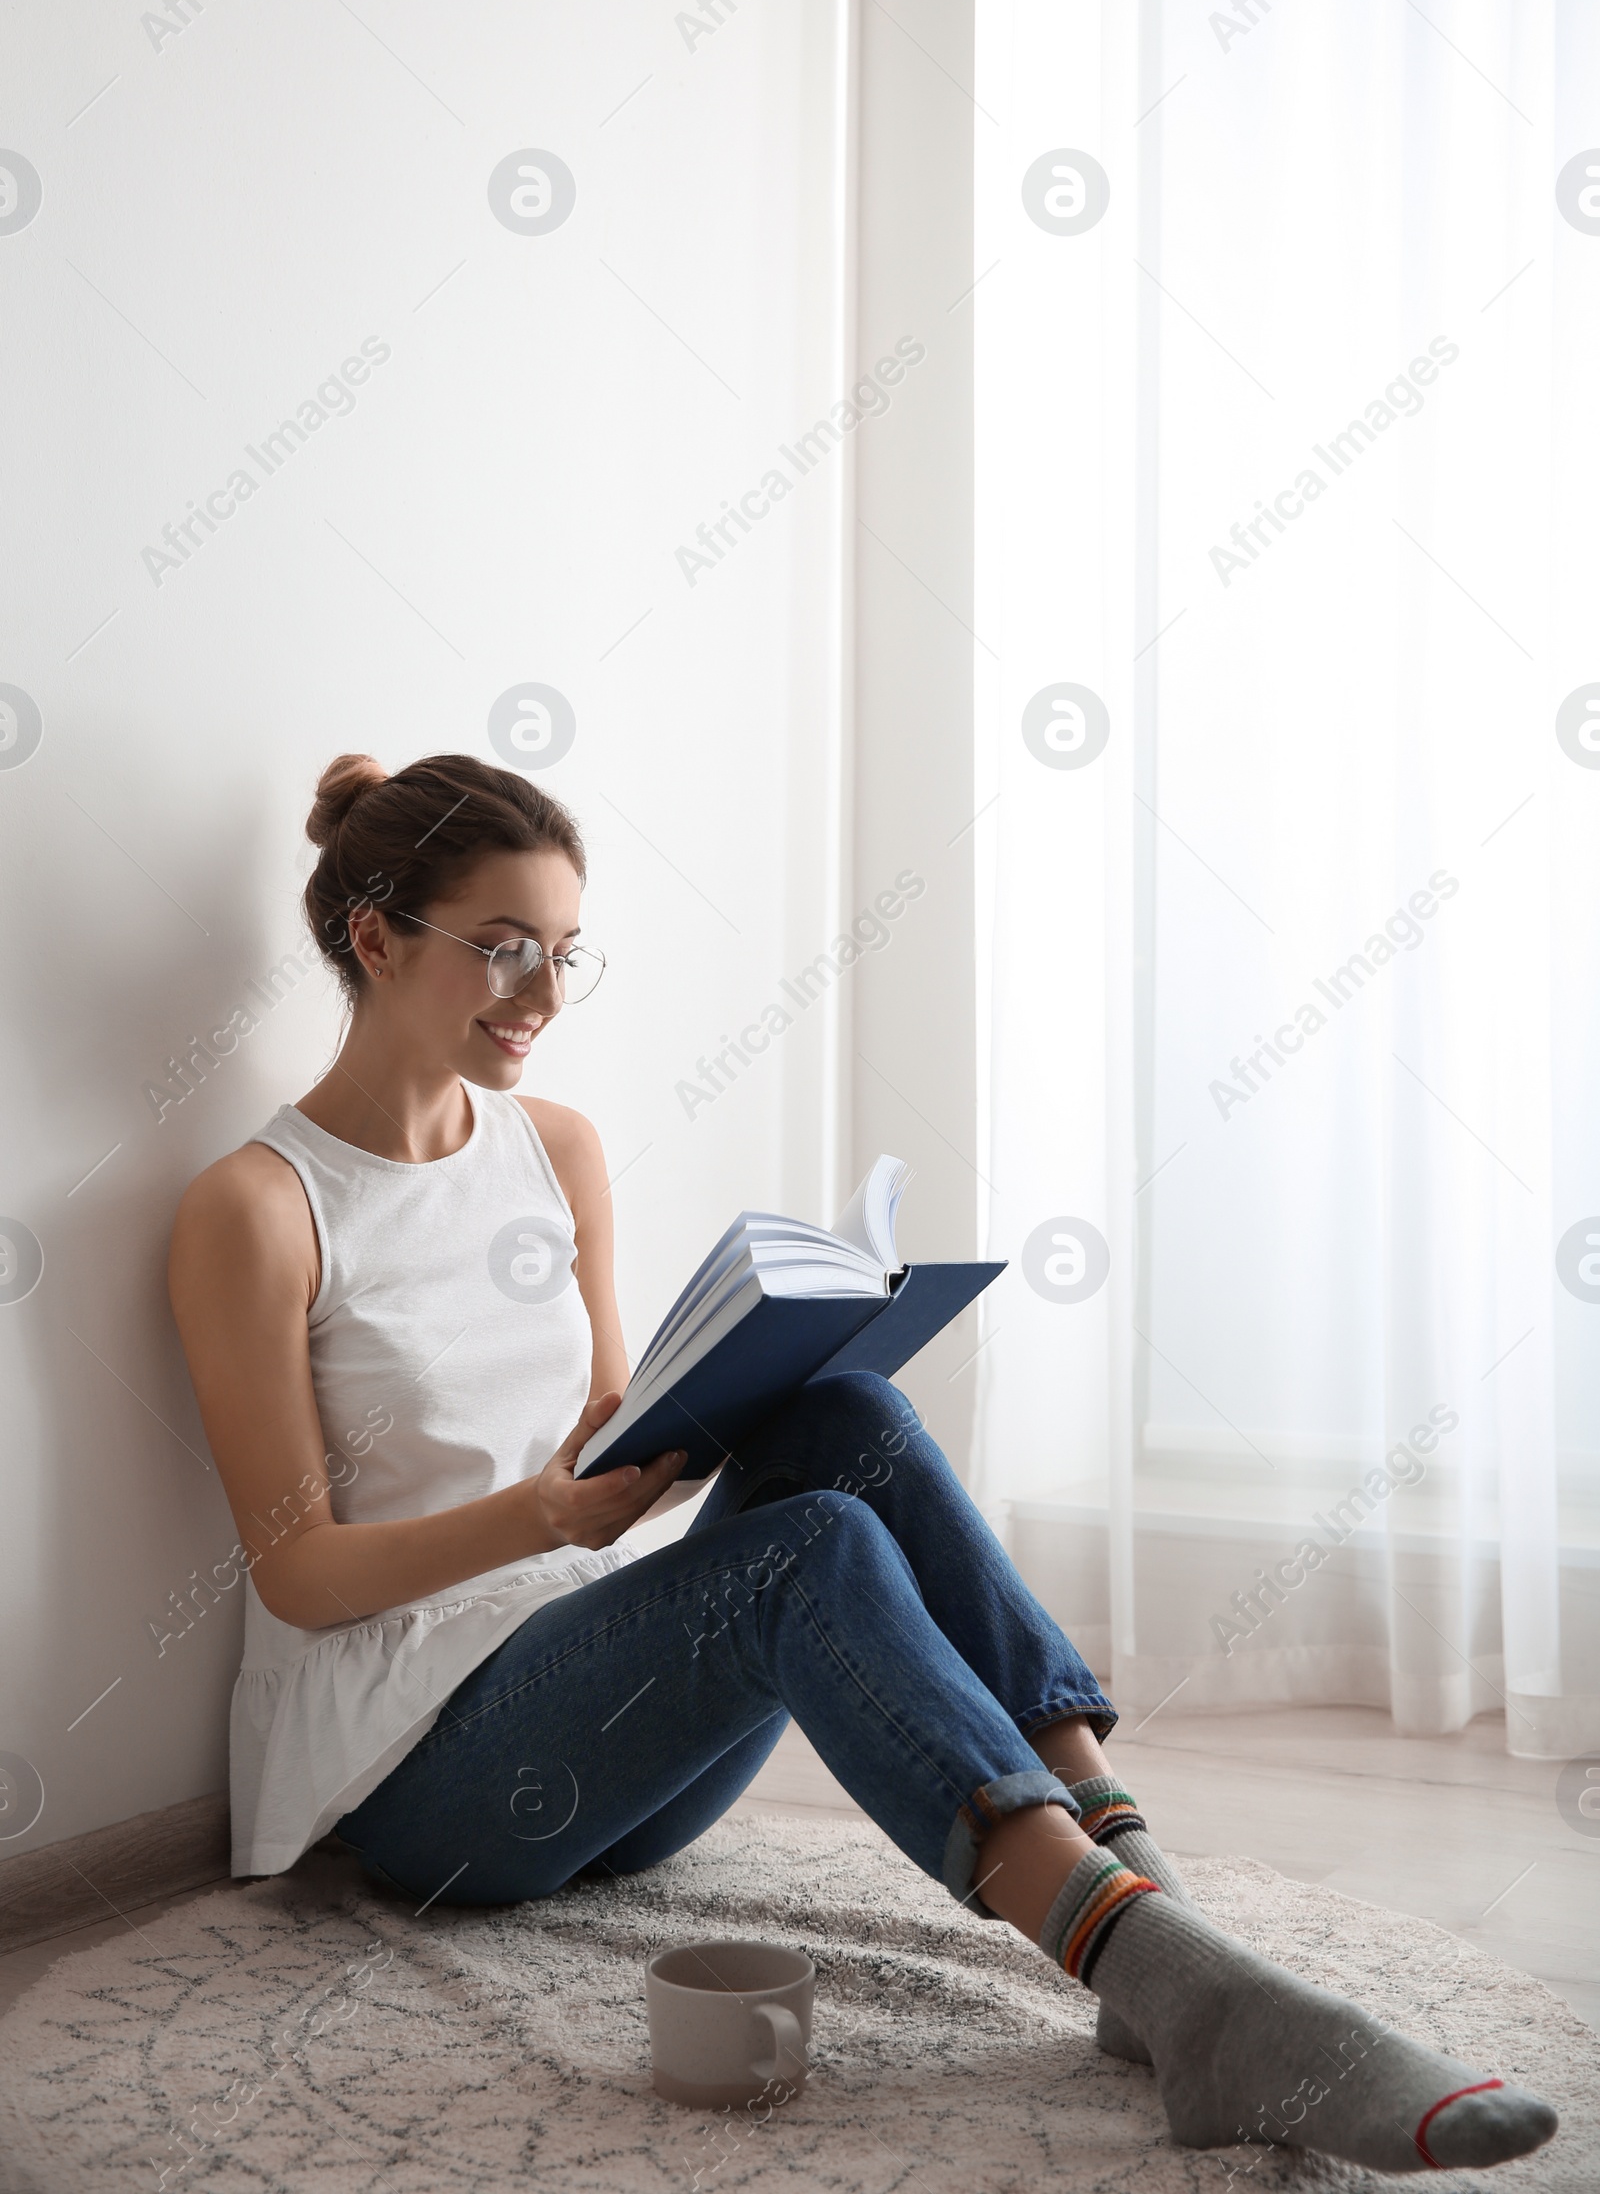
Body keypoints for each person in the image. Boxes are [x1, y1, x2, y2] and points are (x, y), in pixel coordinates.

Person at [170, 751, 1558, 2176]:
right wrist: (542, 1515)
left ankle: (1157, 1912)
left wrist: (693, 1415)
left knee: (853, 1425)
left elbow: (598, 1415)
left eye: (567, 953)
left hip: (606, 1737)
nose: (542, 995)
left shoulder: (556, 1148)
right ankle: (1173, 1984)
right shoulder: (260, 1211)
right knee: (811, 1547)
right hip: (427, 1786)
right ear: (378, 938)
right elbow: (296, 1576)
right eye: (504, 950)